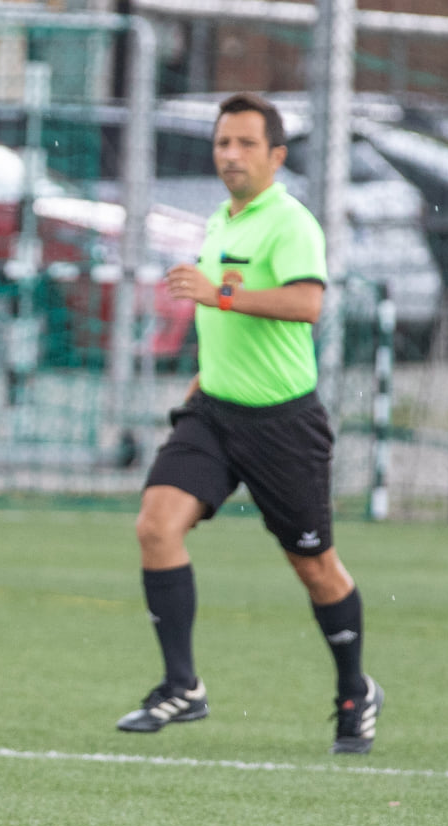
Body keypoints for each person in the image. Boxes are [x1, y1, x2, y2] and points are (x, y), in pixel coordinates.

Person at [119, 92, 380, 754]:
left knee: (314, 567)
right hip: (213, 411)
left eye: (244, 143)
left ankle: (354, 689)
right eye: (221, 143)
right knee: (155, 525)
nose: (230, 155)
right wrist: (198, 386)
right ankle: (182, 683)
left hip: (282, 424)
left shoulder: (290, 223)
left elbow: (307, 304)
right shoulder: (220, 220)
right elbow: (220, 326)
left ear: (276, 155)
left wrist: (220, 295)